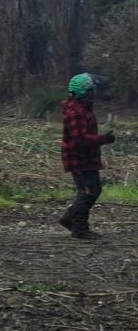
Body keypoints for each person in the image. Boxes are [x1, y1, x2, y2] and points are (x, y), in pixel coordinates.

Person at [59, 73, 116, 239]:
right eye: (92, 90)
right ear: (84, 93)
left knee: (94, 190)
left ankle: (69, 218)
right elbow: (80, 140)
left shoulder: (83, 109)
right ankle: (79, 228)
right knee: (87, 192)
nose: (94, 93)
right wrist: (103, 139)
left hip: (86, 158)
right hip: (79, 159)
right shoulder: (77, 113)